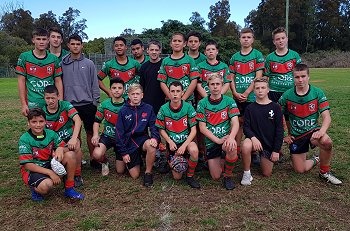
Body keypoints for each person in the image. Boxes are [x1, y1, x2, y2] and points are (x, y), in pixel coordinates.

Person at [279, 63, 342, 185]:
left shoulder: (317, 93)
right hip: (296, 136)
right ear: (293, 78)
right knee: (300, 169)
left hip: (313, 132)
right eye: (297, 77)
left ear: (308, 77)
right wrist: (285, 135)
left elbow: (327, 117)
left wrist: (321, 132)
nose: (300, 80)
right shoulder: (287, 95)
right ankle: (316, 158)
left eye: (303, 76)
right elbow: (277, 115)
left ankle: (324, 173)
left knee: (326, 142)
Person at [18, 108, 84, 201]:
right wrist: (51, 173)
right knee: (46, 186)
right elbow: (28, 165)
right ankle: (35, 189)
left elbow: (64, 147)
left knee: (71, 155)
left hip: (49, 164)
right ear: (28, 123)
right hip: (34, 170)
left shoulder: (51, 134)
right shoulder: (24, 139)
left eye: (41, 121)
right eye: (34, 122)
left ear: (45, 122)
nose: (38, 125)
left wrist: (60, 149)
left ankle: (69, 189)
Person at [61, 34, 100, 168]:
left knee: (90, 132)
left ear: (82, 45)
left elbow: (94, 83)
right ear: (68, 45)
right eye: (73, 44)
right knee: (74, 134)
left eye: (78, 44)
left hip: (88, 104)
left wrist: (95, 102)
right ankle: (78, 160)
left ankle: (93, 158)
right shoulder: (62, 63)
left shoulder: (89, 63)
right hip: (70, 104)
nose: (75, 46)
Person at [197, 73, 240, 190]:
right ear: (208, 87)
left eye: (217, 84)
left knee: (232, 147)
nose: (215, 87)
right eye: (212, 84)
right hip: (212, 141)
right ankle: (220, 158)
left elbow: (235, 122)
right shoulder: (202, 103)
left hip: (226, 138)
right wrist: (217, 140)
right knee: (215, 176)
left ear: (222, 85)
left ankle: (228, 176)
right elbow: (202, 128)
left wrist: (231, 137)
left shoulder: (229, 101)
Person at [156, 81, 200, 188]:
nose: (175, 94)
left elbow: (194, 130)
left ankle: (190, 175)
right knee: (177, 177)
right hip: (173, 144)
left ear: (182, 93)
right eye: (172, 91)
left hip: (186, 142)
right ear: (169, 93)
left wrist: (185, 145)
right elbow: (160, 129)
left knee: (194, 150)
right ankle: (172, 160)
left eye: (178, 91)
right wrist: (169, 141)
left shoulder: (188, 107)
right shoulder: (163, 109)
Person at [115, 83, 160, 187]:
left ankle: (148, 173)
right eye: (133, 94)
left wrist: (154, 137)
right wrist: (124, 153)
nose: (135, 96)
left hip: (141, 139)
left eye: (138, 94)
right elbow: (119, 134)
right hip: (128, 142)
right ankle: (136, 158)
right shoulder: (123, 111)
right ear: (129, 95)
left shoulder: (148, 108)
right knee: (128, 173)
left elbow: (154, 126)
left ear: (142, 95)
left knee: (152, 145)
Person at [240, 77, 283, 185]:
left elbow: (279, 130)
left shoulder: (275, 107)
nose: (260, 90)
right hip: (254, 141)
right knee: (245, 145)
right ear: (253, 90)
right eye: (257, 88)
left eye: (263, 88)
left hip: (269, 143)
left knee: (266, 173)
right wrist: (253, 138)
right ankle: (246, 173)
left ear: (268, 90)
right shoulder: (250, 108)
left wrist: (276, 150)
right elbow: (246, 127)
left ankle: (263, 155)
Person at [229, 28, 264, 157]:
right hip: (237, 97)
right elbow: (230, 77)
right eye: (243, 37)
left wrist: (247, 93)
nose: (246, 39)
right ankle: (237, 149)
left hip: (252, 97)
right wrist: (235, 92)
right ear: (240, 39)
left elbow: (258, 76)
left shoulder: (257, 55)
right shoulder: (234, 57)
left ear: (253, 39)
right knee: (237, 123)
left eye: (249, 37)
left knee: (253, 123)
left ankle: (254, 152)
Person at [43, 85, 84, 187]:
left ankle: (77, 175)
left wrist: (74, 138)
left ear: (58, 96)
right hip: (54, 144)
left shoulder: (65, 105)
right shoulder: (42, 112)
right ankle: (62, 169)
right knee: (66, 154)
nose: (50, 101)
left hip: (68, 140)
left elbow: (78, 120)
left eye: (53, 98)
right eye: (47, 98)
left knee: (76, 145)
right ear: (44, 98)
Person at [16, 28, 63, 116]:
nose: (41, 42)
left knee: (52, 128)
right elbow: (21, 81)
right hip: (33, 102)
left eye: (44, 39)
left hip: (51, 101)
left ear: (48, 40)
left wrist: (60, 101)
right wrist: (23, 104)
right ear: (33, 40)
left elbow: (58, 81)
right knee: (35, 127)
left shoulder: (53, 59)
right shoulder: (24, 57)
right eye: (38, 39)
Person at [91, 78, 125, 176]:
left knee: (120, 171)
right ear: (110, 89)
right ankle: (104, 162)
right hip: (107, 136)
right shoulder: (104, 104)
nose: (117, 90)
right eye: (114, 88)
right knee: (96, 154)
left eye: (119, 88)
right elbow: (97, 121)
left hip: (121, 138)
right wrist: (95, 135)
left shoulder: (128, 104)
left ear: (123, 90)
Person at [158, 32, 199, 103]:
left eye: (179, 41)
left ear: (184, 44)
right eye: (174, 41)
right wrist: (172, 98)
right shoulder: (165, 61)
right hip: (170, 100)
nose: (177, 43)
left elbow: (194, 81)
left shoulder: (190, 60)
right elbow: (162, 82)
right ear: (171, 44)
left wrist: (183, 99)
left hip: (187, 100)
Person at [264, 27, 302, 103]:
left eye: (283, 38)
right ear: (274, 42)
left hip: (290, 91)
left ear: (287, 39)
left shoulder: (294, 55)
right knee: (274, 114)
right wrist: (265, 89)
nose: (281, 41)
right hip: (273, 92)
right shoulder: (269, 58)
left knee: (290, 114)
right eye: (278, 39)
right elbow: (265, 76)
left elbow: (300, 73)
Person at [139, 40, 165, 115]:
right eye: (152, 50)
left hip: (162, 102)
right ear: (147, 50)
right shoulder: (144, 67)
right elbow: (142, 86)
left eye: (156, 50)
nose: (154, 52)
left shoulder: (164, 64)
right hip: (147, 102)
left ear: (160, 51)